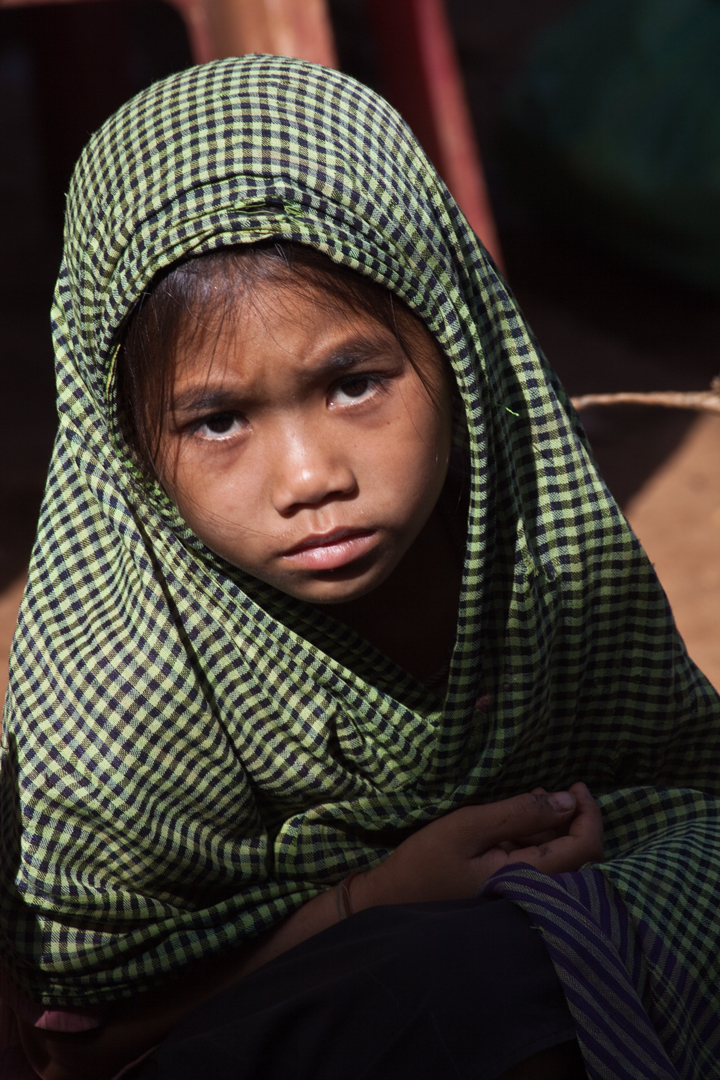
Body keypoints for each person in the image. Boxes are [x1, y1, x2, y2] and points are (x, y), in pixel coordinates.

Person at [1, 54, 719, 1080]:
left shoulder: (535, 548)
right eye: (216, 420)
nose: (309, 476)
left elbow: (677, 787)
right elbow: (79, 1045)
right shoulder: (125, 689)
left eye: (351, 385)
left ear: (457, 347)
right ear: (128, 447)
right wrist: (377, 903)